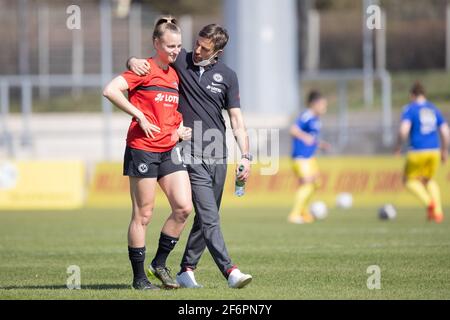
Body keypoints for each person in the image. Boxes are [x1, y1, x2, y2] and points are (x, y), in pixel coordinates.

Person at [127, 23, 253, 289]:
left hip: (218, 153)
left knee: (207, 215)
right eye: (196, 43)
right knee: (208, 215)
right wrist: (133, 60)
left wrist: (246, 155)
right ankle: (230, 270)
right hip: (188, 150)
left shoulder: (228, 76)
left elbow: (237, 120)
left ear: (217, 51)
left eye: (204, 48)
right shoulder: (180, 60)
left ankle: (186, 269)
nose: (196, 50)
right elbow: (153, 58)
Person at [103, 16, 194, 290]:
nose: (175, 51)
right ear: (156, 44)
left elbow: (169, 110)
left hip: (169, 148)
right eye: (169, 46)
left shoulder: (175, 73)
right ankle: (139, 279)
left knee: (183, 207)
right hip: (142, 149)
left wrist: (178, 129)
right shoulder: (143, 69)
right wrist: (139, 115)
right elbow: (110, 90)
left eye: (178, 46)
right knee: (143, 214)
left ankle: (159, 263)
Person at [395, 81, 449, 223]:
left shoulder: (410, 109)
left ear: (412, 95)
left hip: (417, 151)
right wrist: (444, 150)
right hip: (434, 151)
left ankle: (428, 203)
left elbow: (403, 130)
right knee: (428, 180)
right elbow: (445, 131)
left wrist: (399, 145)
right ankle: (437, 213)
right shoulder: (433, 109)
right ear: (424, 95)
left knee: (408, 181)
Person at [288, 90, 330, 224]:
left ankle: (304, 213)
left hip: (309, 157)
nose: (324, 107)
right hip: (301, 157)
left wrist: (319, 144)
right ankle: (294, 214)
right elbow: (293, 130)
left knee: (316, 183)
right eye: (323, 104)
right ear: (314, 104)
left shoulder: (316, 119)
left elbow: (311, 138)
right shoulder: (307, 115)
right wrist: (305, 137)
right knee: (307, 182)